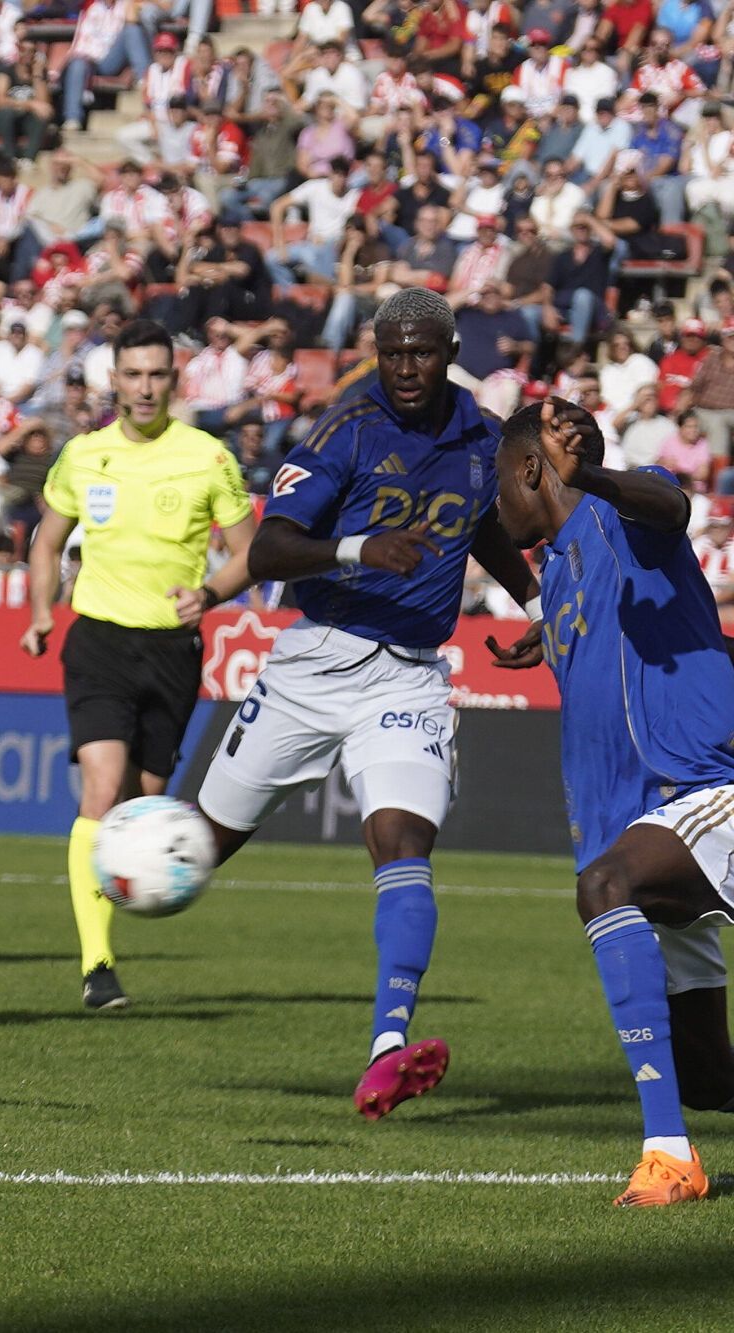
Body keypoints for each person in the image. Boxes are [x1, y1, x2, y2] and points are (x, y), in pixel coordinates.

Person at [189, 288, 543, 1117]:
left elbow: (487, 527)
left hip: (409, 675)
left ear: (450, 348)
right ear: (375, 351)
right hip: (312, 666)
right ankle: (118, 884)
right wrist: (356, 548)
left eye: (422, 351)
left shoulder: (480, 437)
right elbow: (273, 542)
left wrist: (534, 606)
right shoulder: (347, 428)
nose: (406, 368)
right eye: (392, 353)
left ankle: (388, 1047)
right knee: (193, 854)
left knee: (402, 839)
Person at [492, 397, 731, 1205]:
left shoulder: (618, 512)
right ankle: (681, 1129)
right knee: (708, 1076)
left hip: (706, 787)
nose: (500, 505)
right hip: (647, 820)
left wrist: (588, 470)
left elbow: (672, 506)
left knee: (605, 887)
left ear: (533, 469)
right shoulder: (559, 574)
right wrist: (549, 628)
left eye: (503, 485)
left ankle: (669, 1160)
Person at [19, 319, 259, 1011]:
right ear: (115, 380)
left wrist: (210, 592)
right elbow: (47, 541)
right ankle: (97, 965)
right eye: (134, 374)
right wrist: (42, 610)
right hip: (97, 639)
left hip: (172, 651)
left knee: (140, 804)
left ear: (173, 379)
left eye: (158, 374)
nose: (146, 387)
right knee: (100, 790)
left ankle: (123, 891)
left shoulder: (208, 457)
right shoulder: (83, 455)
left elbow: (250, 549)